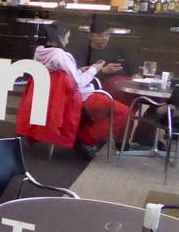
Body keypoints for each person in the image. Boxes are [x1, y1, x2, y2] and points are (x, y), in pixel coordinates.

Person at [34, 22, 130, 158]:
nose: (67, 41)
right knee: (125, 113)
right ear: (60, 38)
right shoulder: (61, 56)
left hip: (58, 98)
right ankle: (86, 138)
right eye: (67, 37)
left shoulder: (40, 53)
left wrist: (81, 70)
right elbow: (78, 83)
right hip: (78, 97)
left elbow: (65, 77)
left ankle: (83, 134)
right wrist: (95, 69)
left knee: (108, 109)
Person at [82, 20, 133, 104]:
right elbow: (80, 76)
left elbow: (128, 67)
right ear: (91, 36)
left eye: (107, 35)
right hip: (98, 91)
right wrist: (103, 71)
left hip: (120, 84)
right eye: (100, 36)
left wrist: (134, 74)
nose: (105, 38)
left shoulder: (116, 50)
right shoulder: (83, 52)